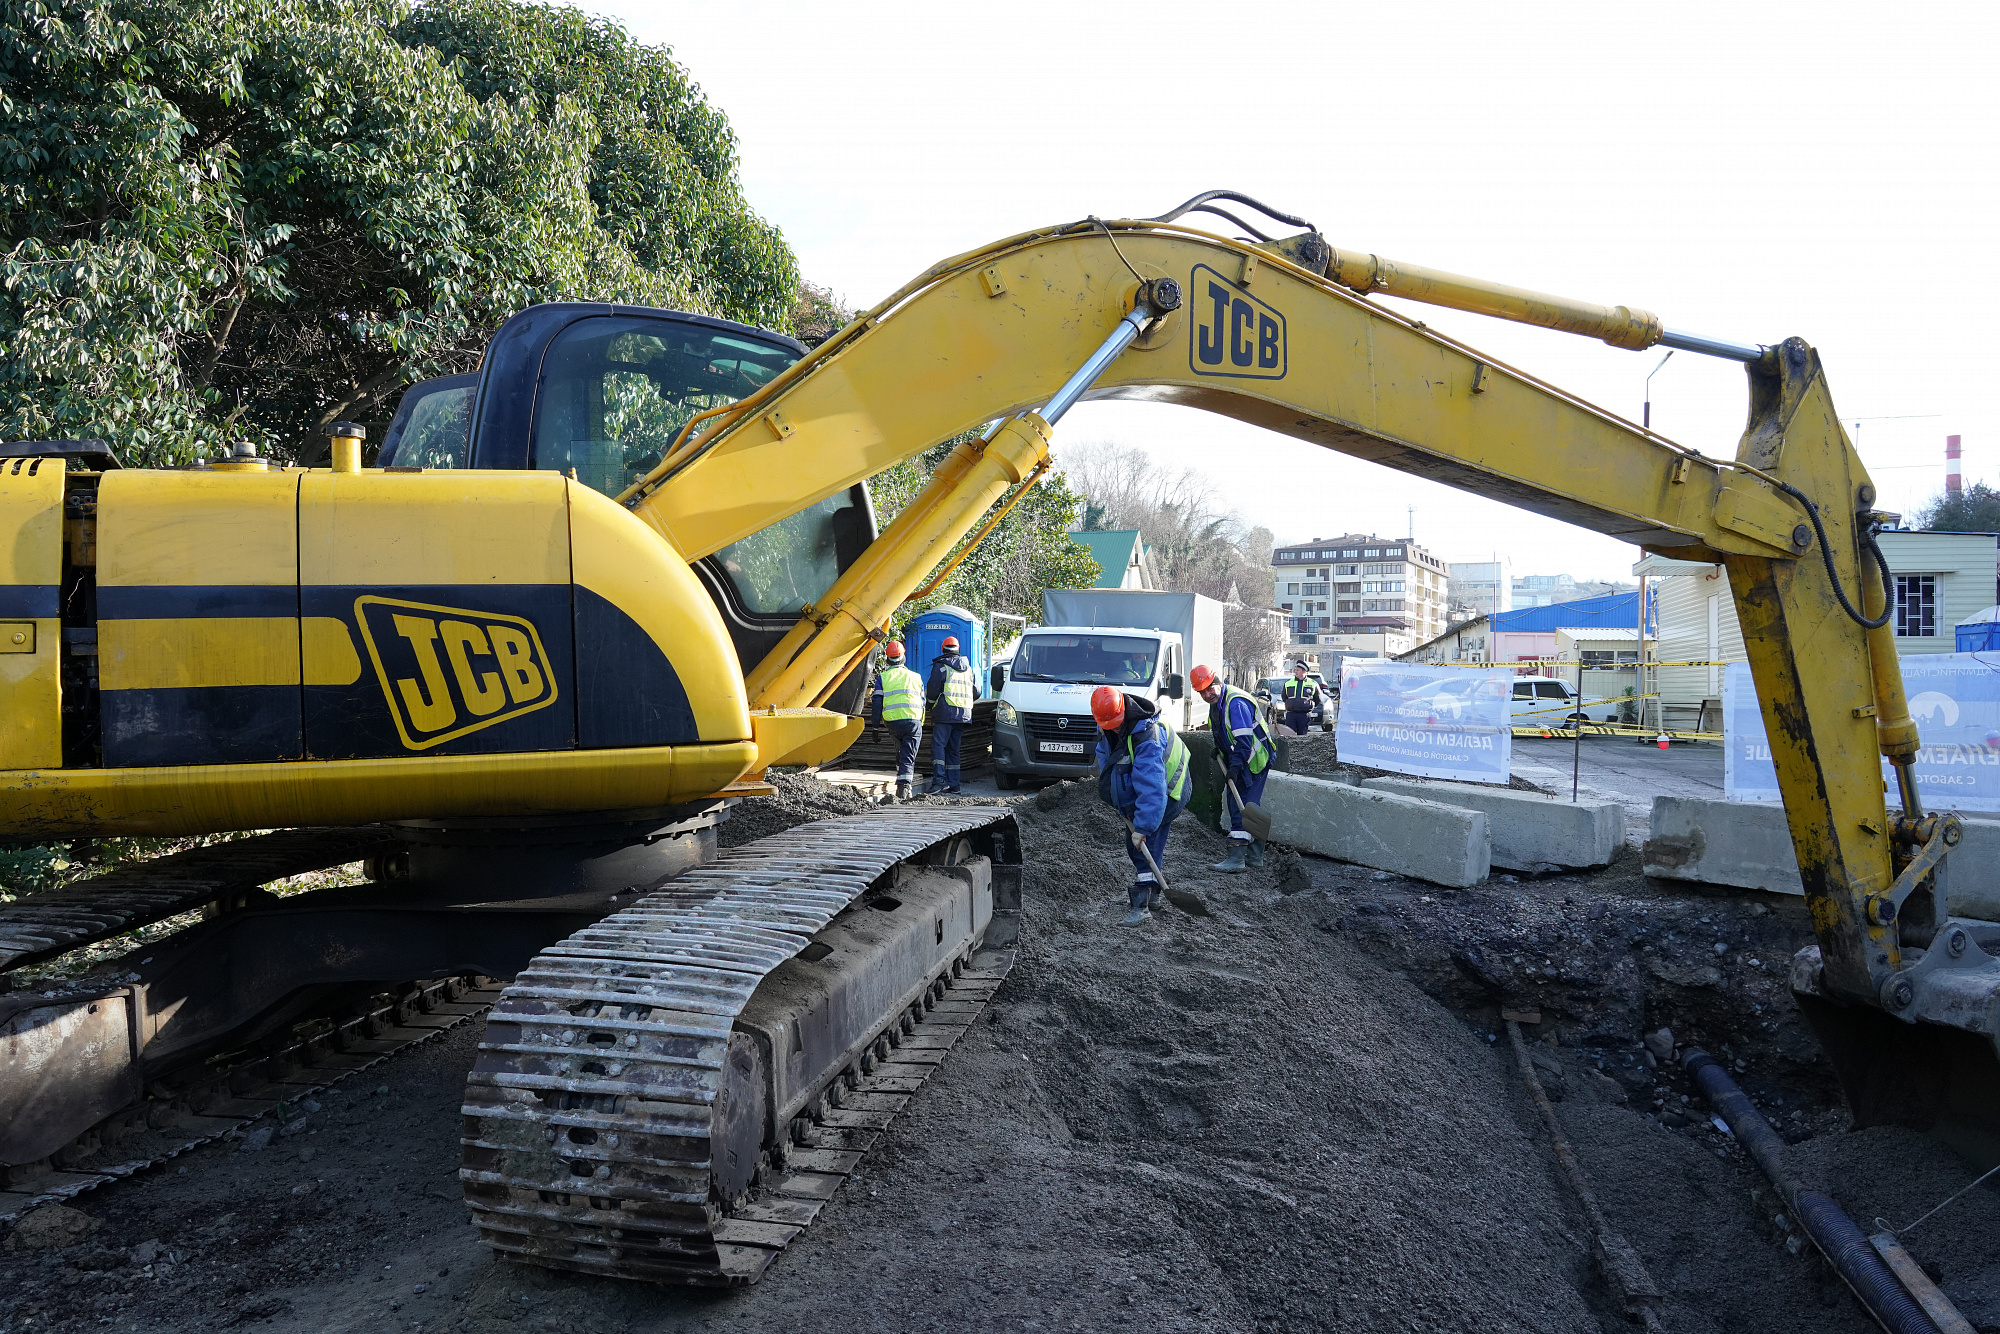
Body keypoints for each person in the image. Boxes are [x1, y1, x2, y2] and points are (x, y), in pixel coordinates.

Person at [1091, 684, 1191, 926]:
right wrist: (1117, 798)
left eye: (1115, 722)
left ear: (1123, 710)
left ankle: (1143, 903)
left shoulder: (1146, 737)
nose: (1113, 727)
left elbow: (1152, 788)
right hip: (1150, 791)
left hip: (1168, 789)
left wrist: (1143, 827)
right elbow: (1109, 760)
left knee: (1145, 842)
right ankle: (1153, 894)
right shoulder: (1109, 723)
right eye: (1108, 725)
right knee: (1138, 841)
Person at [1191, 663, 1276, 872]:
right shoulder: (1218, 702)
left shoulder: (1235, 703)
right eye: (1202, 692)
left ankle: (1236, 859)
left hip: (1254, 759)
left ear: (1217, 682)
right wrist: (1219, 749)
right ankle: (1254, 855)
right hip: (1241, 757)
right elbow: (1224, 732)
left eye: (1210, 688)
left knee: (1242, 806)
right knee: (1241, 803)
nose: (1207, 694)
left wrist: (1235, 768)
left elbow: (1245, 742)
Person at [925, 634, 979, 794]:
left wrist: (928, 705)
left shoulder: (941, 666)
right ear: (958, 650)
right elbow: (977, 692)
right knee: (953, 749)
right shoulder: (969, 669)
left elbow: (933, 690)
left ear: (943, 649)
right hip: (963, 714)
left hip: (945, 712)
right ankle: (954, 784)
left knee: (938, 746)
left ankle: (939, 781)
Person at [871, 640, 924, 802]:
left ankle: (902, 783)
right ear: (903, 657)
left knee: (900, 753)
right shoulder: (916, 677)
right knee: (908, 756)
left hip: (893, 722)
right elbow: (923, 701)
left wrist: (875, 728)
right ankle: (904, 787)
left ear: (887, 659)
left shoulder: (883, 677)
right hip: (913, 722)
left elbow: (877, 703)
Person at [1278, 660, 1323, 737]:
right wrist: (1291, 704)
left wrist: (1309, 706)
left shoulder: (1313, 684)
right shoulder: (1288, 683)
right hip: (1291, 714)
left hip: (1304, 715)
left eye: (1298, 670)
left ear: (1304, 671)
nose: (1296, 672)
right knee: (1290, 736)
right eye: (1295, 670)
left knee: (1302, 737)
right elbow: (1284, 697)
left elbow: (1317, 698)